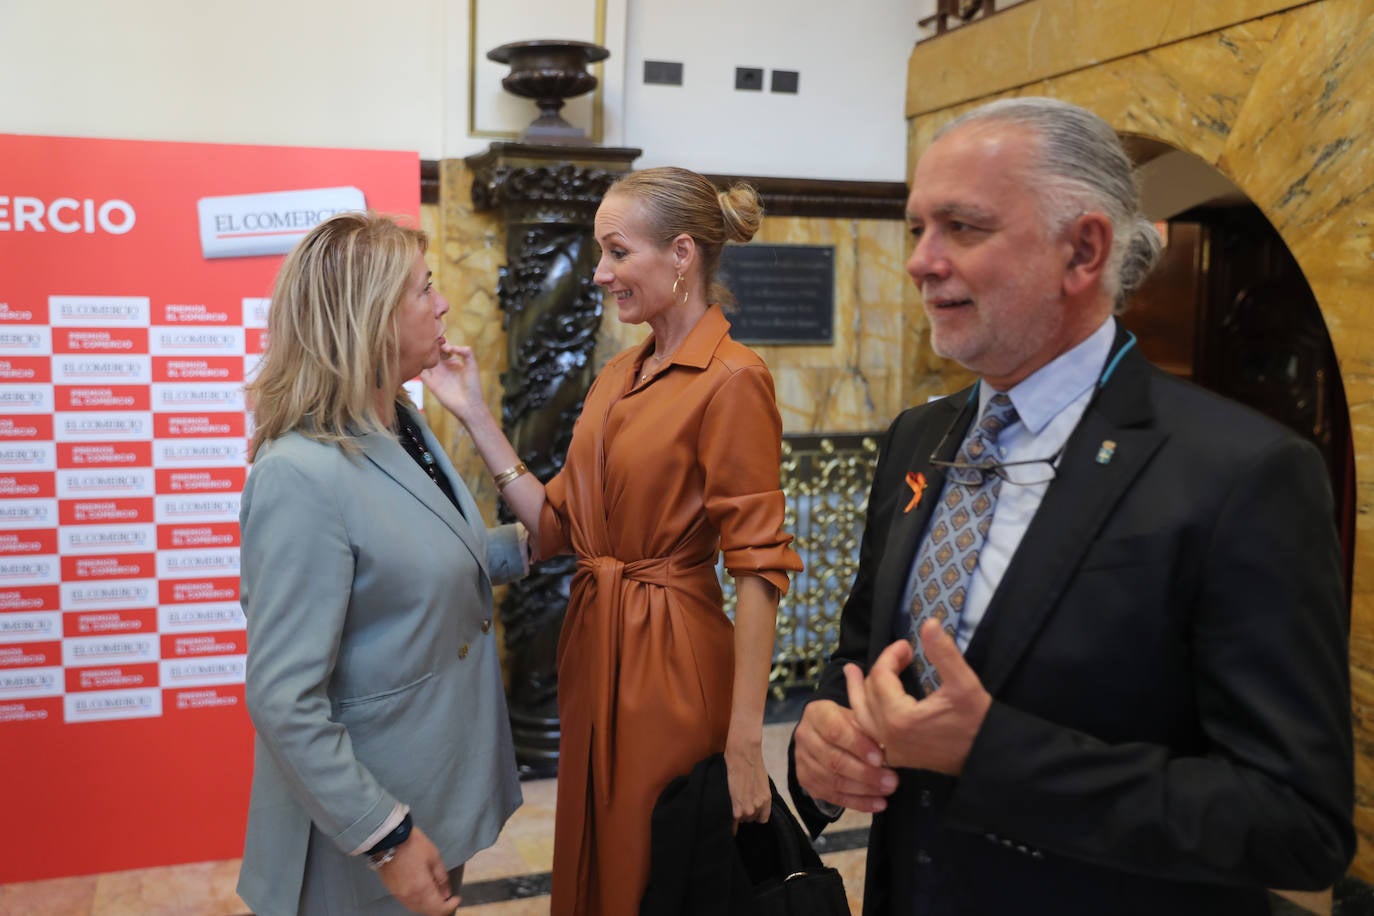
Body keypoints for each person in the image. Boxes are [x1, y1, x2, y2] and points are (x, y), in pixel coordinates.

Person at [787, 97, 1355, 915]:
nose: (920, 260)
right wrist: (828, 736)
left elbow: (1296, 823)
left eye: (963, 227)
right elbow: (869, 661)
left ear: (1083, 250)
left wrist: (995, 757)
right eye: (917, 229)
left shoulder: (1245, 473)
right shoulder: (918, 438)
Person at [424, 166, 804, 916]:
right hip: (598, 651)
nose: (600, 274)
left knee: (650, 874)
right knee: (598, 866)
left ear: (683, 254)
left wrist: (745, 743)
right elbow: (559, 527)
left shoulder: (733, 379)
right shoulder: (618, 375)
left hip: (672, 666)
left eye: (617, 253)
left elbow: (759, 569)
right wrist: (473, 413)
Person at [236, 212, 528, 916]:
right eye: (424, 289)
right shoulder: (298, 474)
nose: (443, 304)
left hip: (435, 785)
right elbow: (283, 698)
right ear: (368, 317)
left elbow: (407, 566)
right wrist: (386, 838)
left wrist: (520, 546)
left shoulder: (402, 421)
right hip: (362, 826)